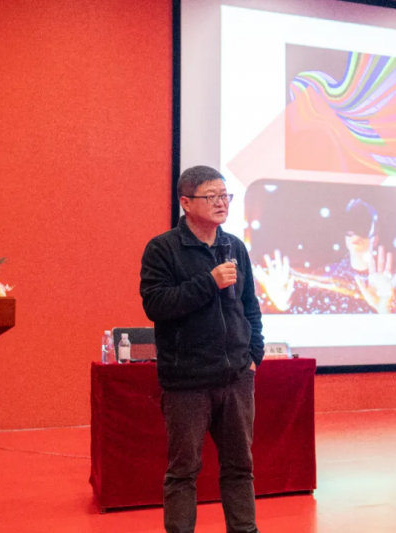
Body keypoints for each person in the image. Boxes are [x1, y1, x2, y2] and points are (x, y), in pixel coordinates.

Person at [140, 165, 264, 533]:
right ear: (186, 202)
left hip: (236, 378)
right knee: (183, 471)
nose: (221, 203)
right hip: (187, 382)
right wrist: (209, 282)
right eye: (211, 196)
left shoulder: (234, 246)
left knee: (240, 467)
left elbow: (249, 306)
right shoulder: (163, 249)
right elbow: (157, 305)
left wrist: (253, 355)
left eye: (225, 195)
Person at [254, 198, 396, 314]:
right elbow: (303, 312)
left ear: (375, 237)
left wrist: (388, 308)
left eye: (363, 225)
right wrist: (282, 303)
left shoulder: (395, 279)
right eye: (351, 226)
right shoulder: (326, 277)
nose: (356, 234)